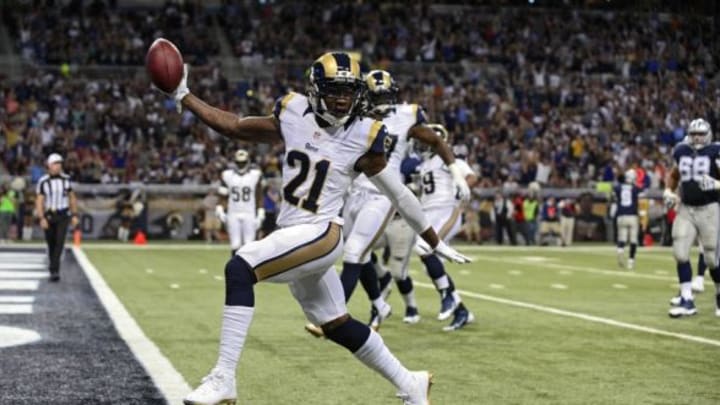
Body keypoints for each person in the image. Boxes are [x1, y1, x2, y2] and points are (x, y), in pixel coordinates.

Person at [165, 52, 470, 405]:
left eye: (349, 91)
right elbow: (233, 126)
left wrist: (433, 239)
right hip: (293, 229)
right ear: (315, 89)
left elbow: (399, 194)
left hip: (321, 232)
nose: (342, 98)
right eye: (334, 89)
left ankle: (223, 378)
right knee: (336, 324)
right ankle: (411, 383)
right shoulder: (292, 112)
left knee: (240, 267)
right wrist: (183, 96)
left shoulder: (365, 135)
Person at [333, 69, 471, 331]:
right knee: (357, 256)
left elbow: (436, 141)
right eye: (377, 96)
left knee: (356, 252)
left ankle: (335, 314)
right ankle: (379, 303)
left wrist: (457, 173)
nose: (382, 101)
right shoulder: (354, 117)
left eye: (386, 95)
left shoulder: (406, 117)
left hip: (383, 193)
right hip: (354, 193)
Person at [414, 124, 478, 330]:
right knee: (430, 266)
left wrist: (462, 189)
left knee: (423, 248)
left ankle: (448, 299)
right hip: (429, 212)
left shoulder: (450, 159)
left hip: (445, 210)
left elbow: (470, 176)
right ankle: (460, 310)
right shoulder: (425, 164)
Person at [664, 118, 720, 318]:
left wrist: (716, 184)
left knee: (712, 259)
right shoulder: (681, 150)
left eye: (701, 134)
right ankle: (687, 300)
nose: (697, 138)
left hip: (710, 208)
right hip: (687, 208)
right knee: (680, 252)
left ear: (708, 134)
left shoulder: (715, 151)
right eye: (694, 133)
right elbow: (675, 174)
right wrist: (669, 191)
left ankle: (719, 293)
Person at [35, 153, 79, 282]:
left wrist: (75, 214)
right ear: (49, 165)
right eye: (55, 163)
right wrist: (41, 217)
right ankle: (53, 267)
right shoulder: (43, 181)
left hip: (63, 214)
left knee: (60, 241)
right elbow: (39, 200)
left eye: (59, 163)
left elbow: (72, 197)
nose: (58, 166)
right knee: (51, 243)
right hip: (49, 214)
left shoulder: (66, 179)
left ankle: (54, 270)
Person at [216, 149, 264, 255]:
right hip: (233, 212)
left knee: (249, 244)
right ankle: (235, 270)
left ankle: (250, 270)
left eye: (243, 163)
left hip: (249, 212)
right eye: (238, 163)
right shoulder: (227, 175)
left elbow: (259, 195)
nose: (241, 165)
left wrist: (260, 213)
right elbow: (222, 195)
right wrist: (219, 208)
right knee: (235, 244)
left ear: (248, 162)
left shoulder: (255, 175)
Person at [612, 169, 641, 270]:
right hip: (632, 215)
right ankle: (630, 261)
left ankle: (620, 252)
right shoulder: (635, 188)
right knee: (633, 240)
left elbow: (613, 195)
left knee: (622, 239)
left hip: (621, 215)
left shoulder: (617, 187)